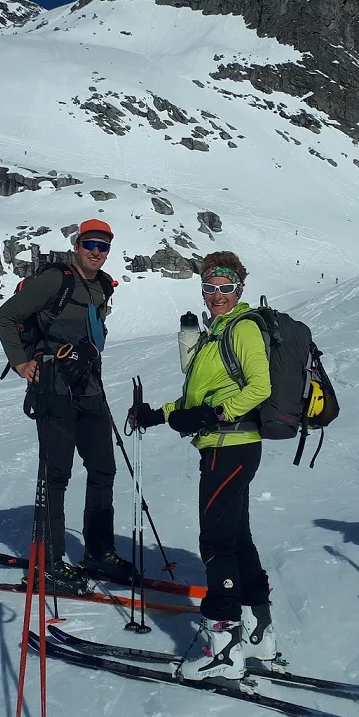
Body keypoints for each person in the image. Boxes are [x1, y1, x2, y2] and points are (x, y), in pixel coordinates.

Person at [129, 251, 276, 681]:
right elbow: (199, 399)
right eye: (210, 287)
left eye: (225, 288)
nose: (217, 295)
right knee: (237, 538)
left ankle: (224, 649)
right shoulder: (217, 334)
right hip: (225, 446)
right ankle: (259, 634)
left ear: (239, 289)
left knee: (216, 542)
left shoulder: (243, 328)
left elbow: (260, 387)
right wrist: (158, 415)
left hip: (229, 446)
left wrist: (215, 415)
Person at [0, 220, 131, 593]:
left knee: (103, 469)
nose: (96, 252)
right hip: (53, 389)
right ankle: (50, 563)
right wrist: (22, 363)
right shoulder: (56, 280)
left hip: (90, 389)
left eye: (103, 246)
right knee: (56, 475)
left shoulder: (103, 286)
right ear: (77, 246)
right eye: (90, 244)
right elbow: (6, 316)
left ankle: (99, 552)